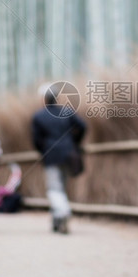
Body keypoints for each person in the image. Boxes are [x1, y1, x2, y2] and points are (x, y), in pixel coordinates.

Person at [32, 85, 86, 234]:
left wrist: (42, 151)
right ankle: (57, 222)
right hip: (69, 154)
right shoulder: (66, 111)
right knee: (61, 186)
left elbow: (36, 140)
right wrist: (75, 142)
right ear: (56, 97)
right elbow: (83, 126)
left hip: (51, 155)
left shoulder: (39, 116)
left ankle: (62, 212)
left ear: (44, 99)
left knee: (54, 188)